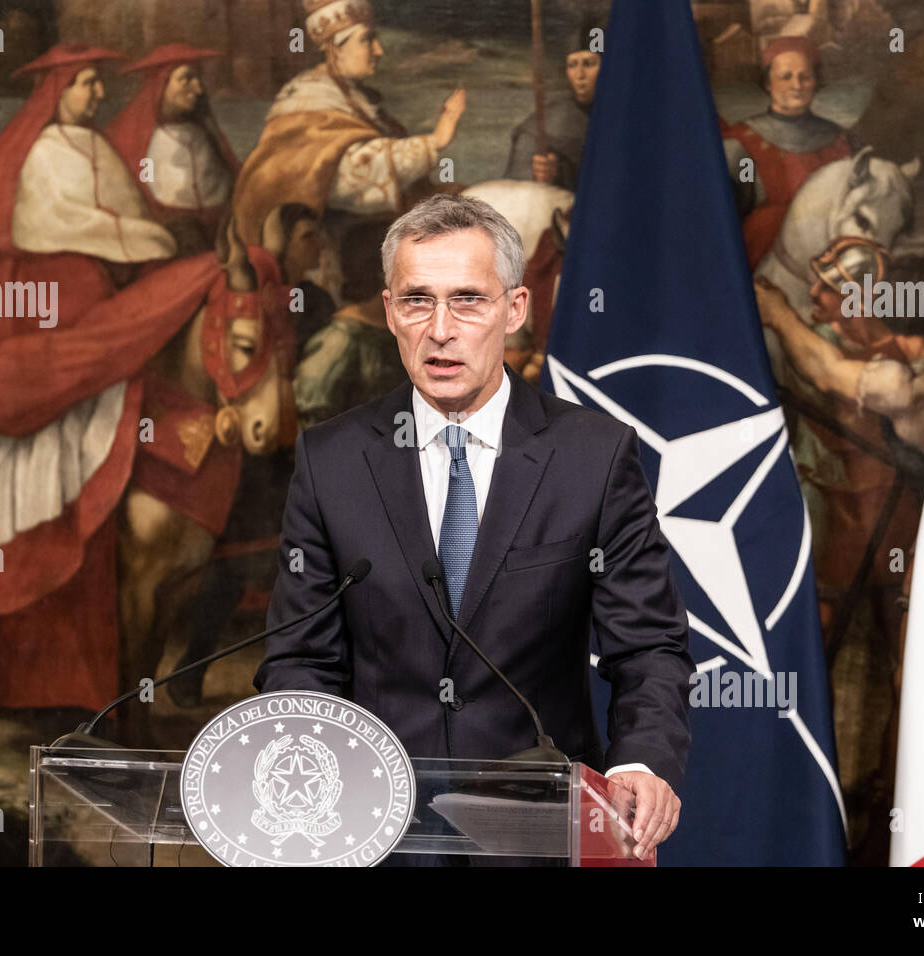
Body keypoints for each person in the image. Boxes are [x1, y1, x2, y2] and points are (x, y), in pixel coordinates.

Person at [255, 195, 693, 859]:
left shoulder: (593, 457)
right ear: (388, 313)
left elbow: (649, 647)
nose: (440, 329)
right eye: (416, 301)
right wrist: (306, 786)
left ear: (514, 309)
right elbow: (300, 660)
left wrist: (637, 764)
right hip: (374, 835)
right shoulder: (332, 460)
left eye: (467, 300)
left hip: (541, 832)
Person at [0, 45, 224, 710]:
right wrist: (151, 242)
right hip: (55, 301)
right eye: (83, 84)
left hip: (100, 291)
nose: (96, 95)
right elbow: (62, 223)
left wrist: (153, 237)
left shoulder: (99, 148)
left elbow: (126, 217)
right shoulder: (46, 149)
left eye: (97, 85)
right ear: (56, 92)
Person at [230, 0, 466, 249]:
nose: (378, 50)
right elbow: (344, 179)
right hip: (322, 248)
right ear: (335, 48)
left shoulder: (355, 98)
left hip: (361, 232)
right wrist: (434, 142)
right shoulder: (307, 101)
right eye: (367, 40)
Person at [722, 36, 856, 267]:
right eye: (786, 77)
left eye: (805, 77)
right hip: (761, 266)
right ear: (767, 83)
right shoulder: (741, 144)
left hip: (834, 266)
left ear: (816, 81)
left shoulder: (843, 141)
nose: (797, 85)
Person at [106, 43, 242, 255]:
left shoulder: (204, 132)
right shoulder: (141, 138)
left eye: (198, 79)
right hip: (174, 235)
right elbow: (141, 189)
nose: (197, 89)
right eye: (186, 79)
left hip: (222, 227)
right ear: (161, 84)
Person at [503, 16, 602, 190]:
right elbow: (516, 185)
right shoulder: (544, 123)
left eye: (589, 63)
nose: (580, 74)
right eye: (572, 65)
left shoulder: (625, 114)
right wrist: (541, 174)